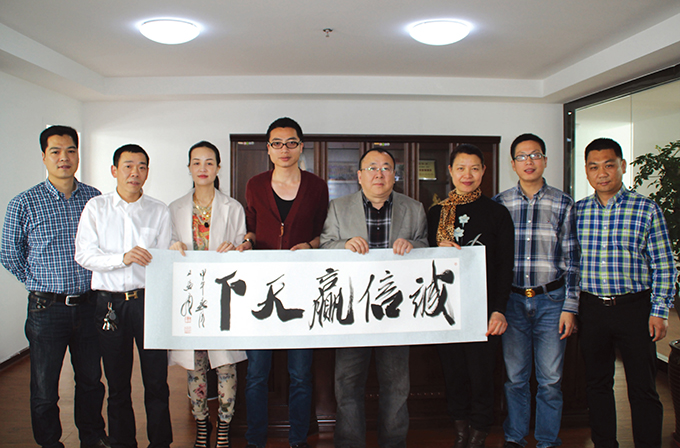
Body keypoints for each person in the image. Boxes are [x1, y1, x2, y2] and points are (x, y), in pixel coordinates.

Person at [0, 125, 108, 448]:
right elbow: (9, 253)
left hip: (89, 306)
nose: (64, 157)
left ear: (78, 154)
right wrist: (37, 282)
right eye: (56, 151)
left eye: (71, 150)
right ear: (44, 156)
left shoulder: (94, 198)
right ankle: (50, 443)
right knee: (45, 388)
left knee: (91, 381)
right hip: (46, 309)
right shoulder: (24, 203)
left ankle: (92, 437)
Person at [320, 147, 428, 448]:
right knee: (347, 384)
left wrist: (414, 246)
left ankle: (393, 443)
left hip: (397, 312)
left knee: (397, 385)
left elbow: (427, 247)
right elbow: (324, 247)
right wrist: (344, 244)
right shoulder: (338, 207)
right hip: (353, 311)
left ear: (394, 175)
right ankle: (349, 443)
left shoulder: (414, 208)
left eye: (385, 168)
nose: (378, 174)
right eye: (371, 168)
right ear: (359, 175)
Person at [576, 137, 676, 448]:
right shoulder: (578, 212)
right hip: (591, 309)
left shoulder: (646, 209)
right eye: (594, 167)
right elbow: (570, 264)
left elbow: (664, 264)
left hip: (634, 309)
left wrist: (659, 311)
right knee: (597, 386)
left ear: (621, 166)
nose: (602, 173)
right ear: (586, 171)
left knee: (643, 387)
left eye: (609, 165)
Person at [235, 117, 328, 448]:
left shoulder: (316, 186)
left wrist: (310, 246)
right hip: (261, 290)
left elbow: (324, 232)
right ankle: (255, 440)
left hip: (302, 290)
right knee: (256, 373)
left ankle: (298, 439)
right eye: (277, 143)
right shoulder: (255, 184)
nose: (284, 149)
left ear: (301, 147)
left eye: (291, 143)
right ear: (268, 149)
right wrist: (247, 242)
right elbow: (251, 226)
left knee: (301, 374)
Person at [75, 144, 173, 448]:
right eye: (128, 166)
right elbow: (84, 255)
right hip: (110, 304)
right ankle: (122, 443)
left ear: (148, 172)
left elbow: (165, 259)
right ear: (114, 170)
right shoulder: (96, 207)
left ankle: (161, 443)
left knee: (156, 381)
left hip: (148, 302)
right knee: (117, 384)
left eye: (142, 167)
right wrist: (122, 258)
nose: (135, 173)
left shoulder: (159, 210)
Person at [493, 134, 579, 448]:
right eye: (522, 156)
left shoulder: (563, 203)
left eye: (535, 155)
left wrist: (570, 306)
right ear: (512, 163)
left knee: (551, 381)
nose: (528, 162)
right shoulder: (500, 204)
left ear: (544, 160)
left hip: (552, 301)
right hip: (513, 302)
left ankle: (547, 440)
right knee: (515, 378)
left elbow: (572, 260)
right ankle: (515, 437)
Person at [427, 144, 514, 448]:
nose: (468, 175)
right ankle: (460, 430)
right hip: (447, 310)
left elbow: (505, 266)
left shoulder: (497, 213)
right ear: (450, 171)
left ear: (483, 172)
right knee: (454, 374)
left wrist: (499, 309)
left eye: (474, 168)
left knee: (481, 375)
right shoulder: (436, 213)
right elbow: (423, 262)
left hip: (484, 310)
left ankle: (479, 433)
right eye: (461, 168)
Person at [167, 141, 247, 448]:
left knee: (226, 365)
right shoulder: (174, 208)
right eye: (197, 162)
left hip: (222, 297)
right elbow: (166, 247)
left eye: (209, 162)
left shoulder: (233, 207)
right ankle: (202, 424)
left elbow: (242, 248)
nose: (203, 168)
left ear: (218, 168)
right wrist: (172, 247)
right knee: (195, 364)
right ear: (189, 167)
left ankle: (224, 426)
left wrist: (236, 248)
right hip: (191, 298)